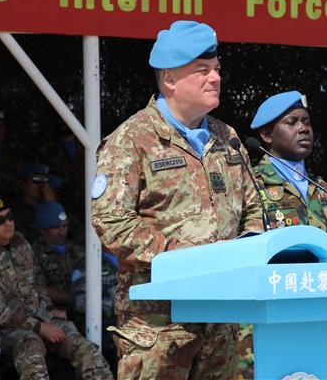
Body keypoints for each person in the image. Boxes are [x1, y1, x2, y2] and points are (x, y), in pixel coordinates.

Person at [91, 20, 263, 380]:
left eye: (216, 69)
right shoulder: (132, 140)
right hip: (159, 324)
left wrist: (248, 248)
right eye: (202, 71)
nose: (214, 78)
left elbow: (254, 208)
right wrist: (184, 259)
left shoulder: (227, 137)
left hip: (220, 315)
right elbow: (111, 221)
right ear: (169, 79)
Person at [0, 193, 111, 380]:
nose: (8, 223)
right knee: (31, 349)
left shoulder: (20, 244)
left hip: (42, 317)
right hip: (8, 330)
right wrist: (39, 327)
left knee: (86, 350)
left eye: (10, 217)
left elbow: (36, 283)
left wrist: (49, 310)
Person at [246, 90, 327, 378]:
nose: (303, 129)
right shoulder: (251, 183)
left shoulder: (322, 187)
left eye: (306, 122)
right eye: (292, 122)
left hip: (321, 314)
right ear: (266, 135)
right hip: (268, 315)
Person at [32, 201, 84, 310]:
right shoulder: (33, 254)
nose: (62, 232)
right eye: (55, 228)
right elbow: (38, 288)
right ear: (42, 230)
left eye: (65, 226)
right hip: (56, 312)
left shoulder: (76, 249)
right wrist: (72, 298)